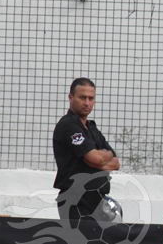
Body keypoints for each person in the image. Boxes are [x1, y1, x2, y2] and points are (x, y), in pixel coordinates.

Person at [52, 78, 121, 223]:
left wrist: (98, 159)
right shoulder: (68, 125)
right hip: (76, 200)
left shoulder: (91, 128)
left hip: (98, 200)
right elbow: (95, 159)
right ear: (71, 98)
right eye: (82, 97)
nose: (87, 103)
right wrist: (98, 159)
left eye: (91, 98)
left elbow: (115, 162)